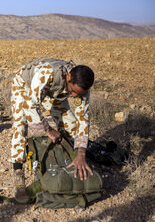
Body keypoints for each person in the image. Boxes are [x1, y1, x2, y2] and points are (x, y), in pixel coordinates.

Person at [9, 58, 95, 203]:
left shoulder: (82, 88)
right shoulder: (47, 74)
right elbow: (31, 105)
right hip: (25, 85)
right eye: (73, 91)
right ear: (69, 77)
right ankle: (18, 173)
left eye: (78, 94)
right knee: (21, 123)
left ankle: (71, 160)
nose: (74, 96)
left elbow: (83, 120)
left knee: (71, 125)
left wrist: (81, 152)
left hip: (53, 91)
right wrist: (47, 129)